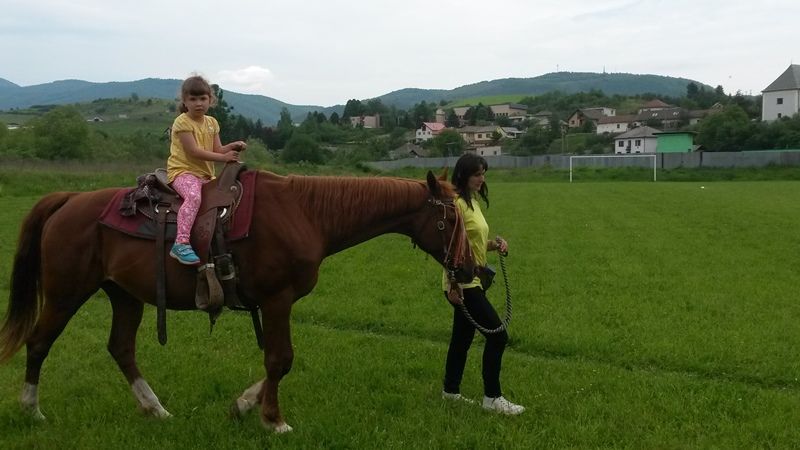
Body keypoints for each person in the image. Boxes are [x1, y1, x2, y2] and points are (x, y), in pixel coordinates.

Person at [440, 153, 525, 415]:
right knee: (498, 336)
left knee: (462, 338)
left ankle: (450, 392)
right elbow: (447, 247)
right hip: (463, 283)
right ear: (464, 175)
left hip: (473, 279)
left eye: (483, 174)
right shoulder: (456, 205)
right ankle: (493, 398)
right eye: (477, 174)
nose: (482, 179)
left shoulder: (472, 203)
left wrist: (494, 245)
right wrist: (453, 284)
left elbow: (472, 244)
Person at [167, 75, 247, 265]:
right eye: (193, 99)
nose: (198, 103)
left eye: (203, 98)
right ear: (185, 101)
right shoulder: (182, 122)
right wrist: (224, 158)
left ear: (210, 100)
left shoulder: (212, 123)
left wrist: (231, 147)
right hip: (182, 172)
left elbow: (217, 149)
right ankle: (181, 243)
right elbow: (194, 152)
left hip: (205, 175)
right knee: (193, 197)